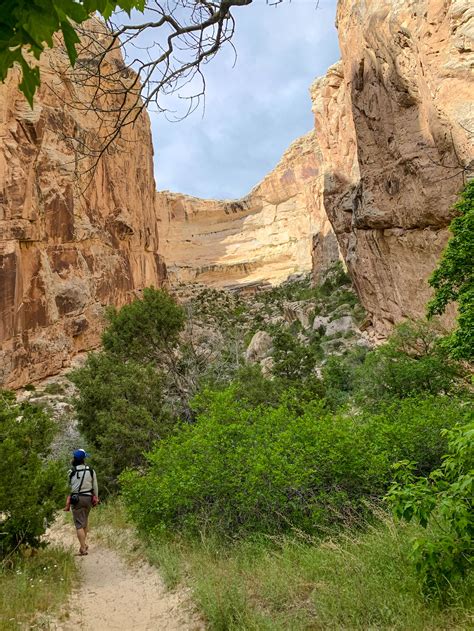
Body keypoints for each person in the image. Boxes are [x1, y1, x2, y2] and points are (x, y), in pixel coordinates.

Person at [67, 448, 99, 556]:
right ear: (84, 459)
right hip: (88, 498)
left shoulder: (71, 471)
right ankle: (84, 544)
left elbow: (68, 486)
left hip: (76, 499)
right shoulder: (91, 470)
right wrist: (96, 497)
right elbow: (95, 486)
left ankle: (83, 548)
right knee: (84, 521)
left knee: (79, 524)